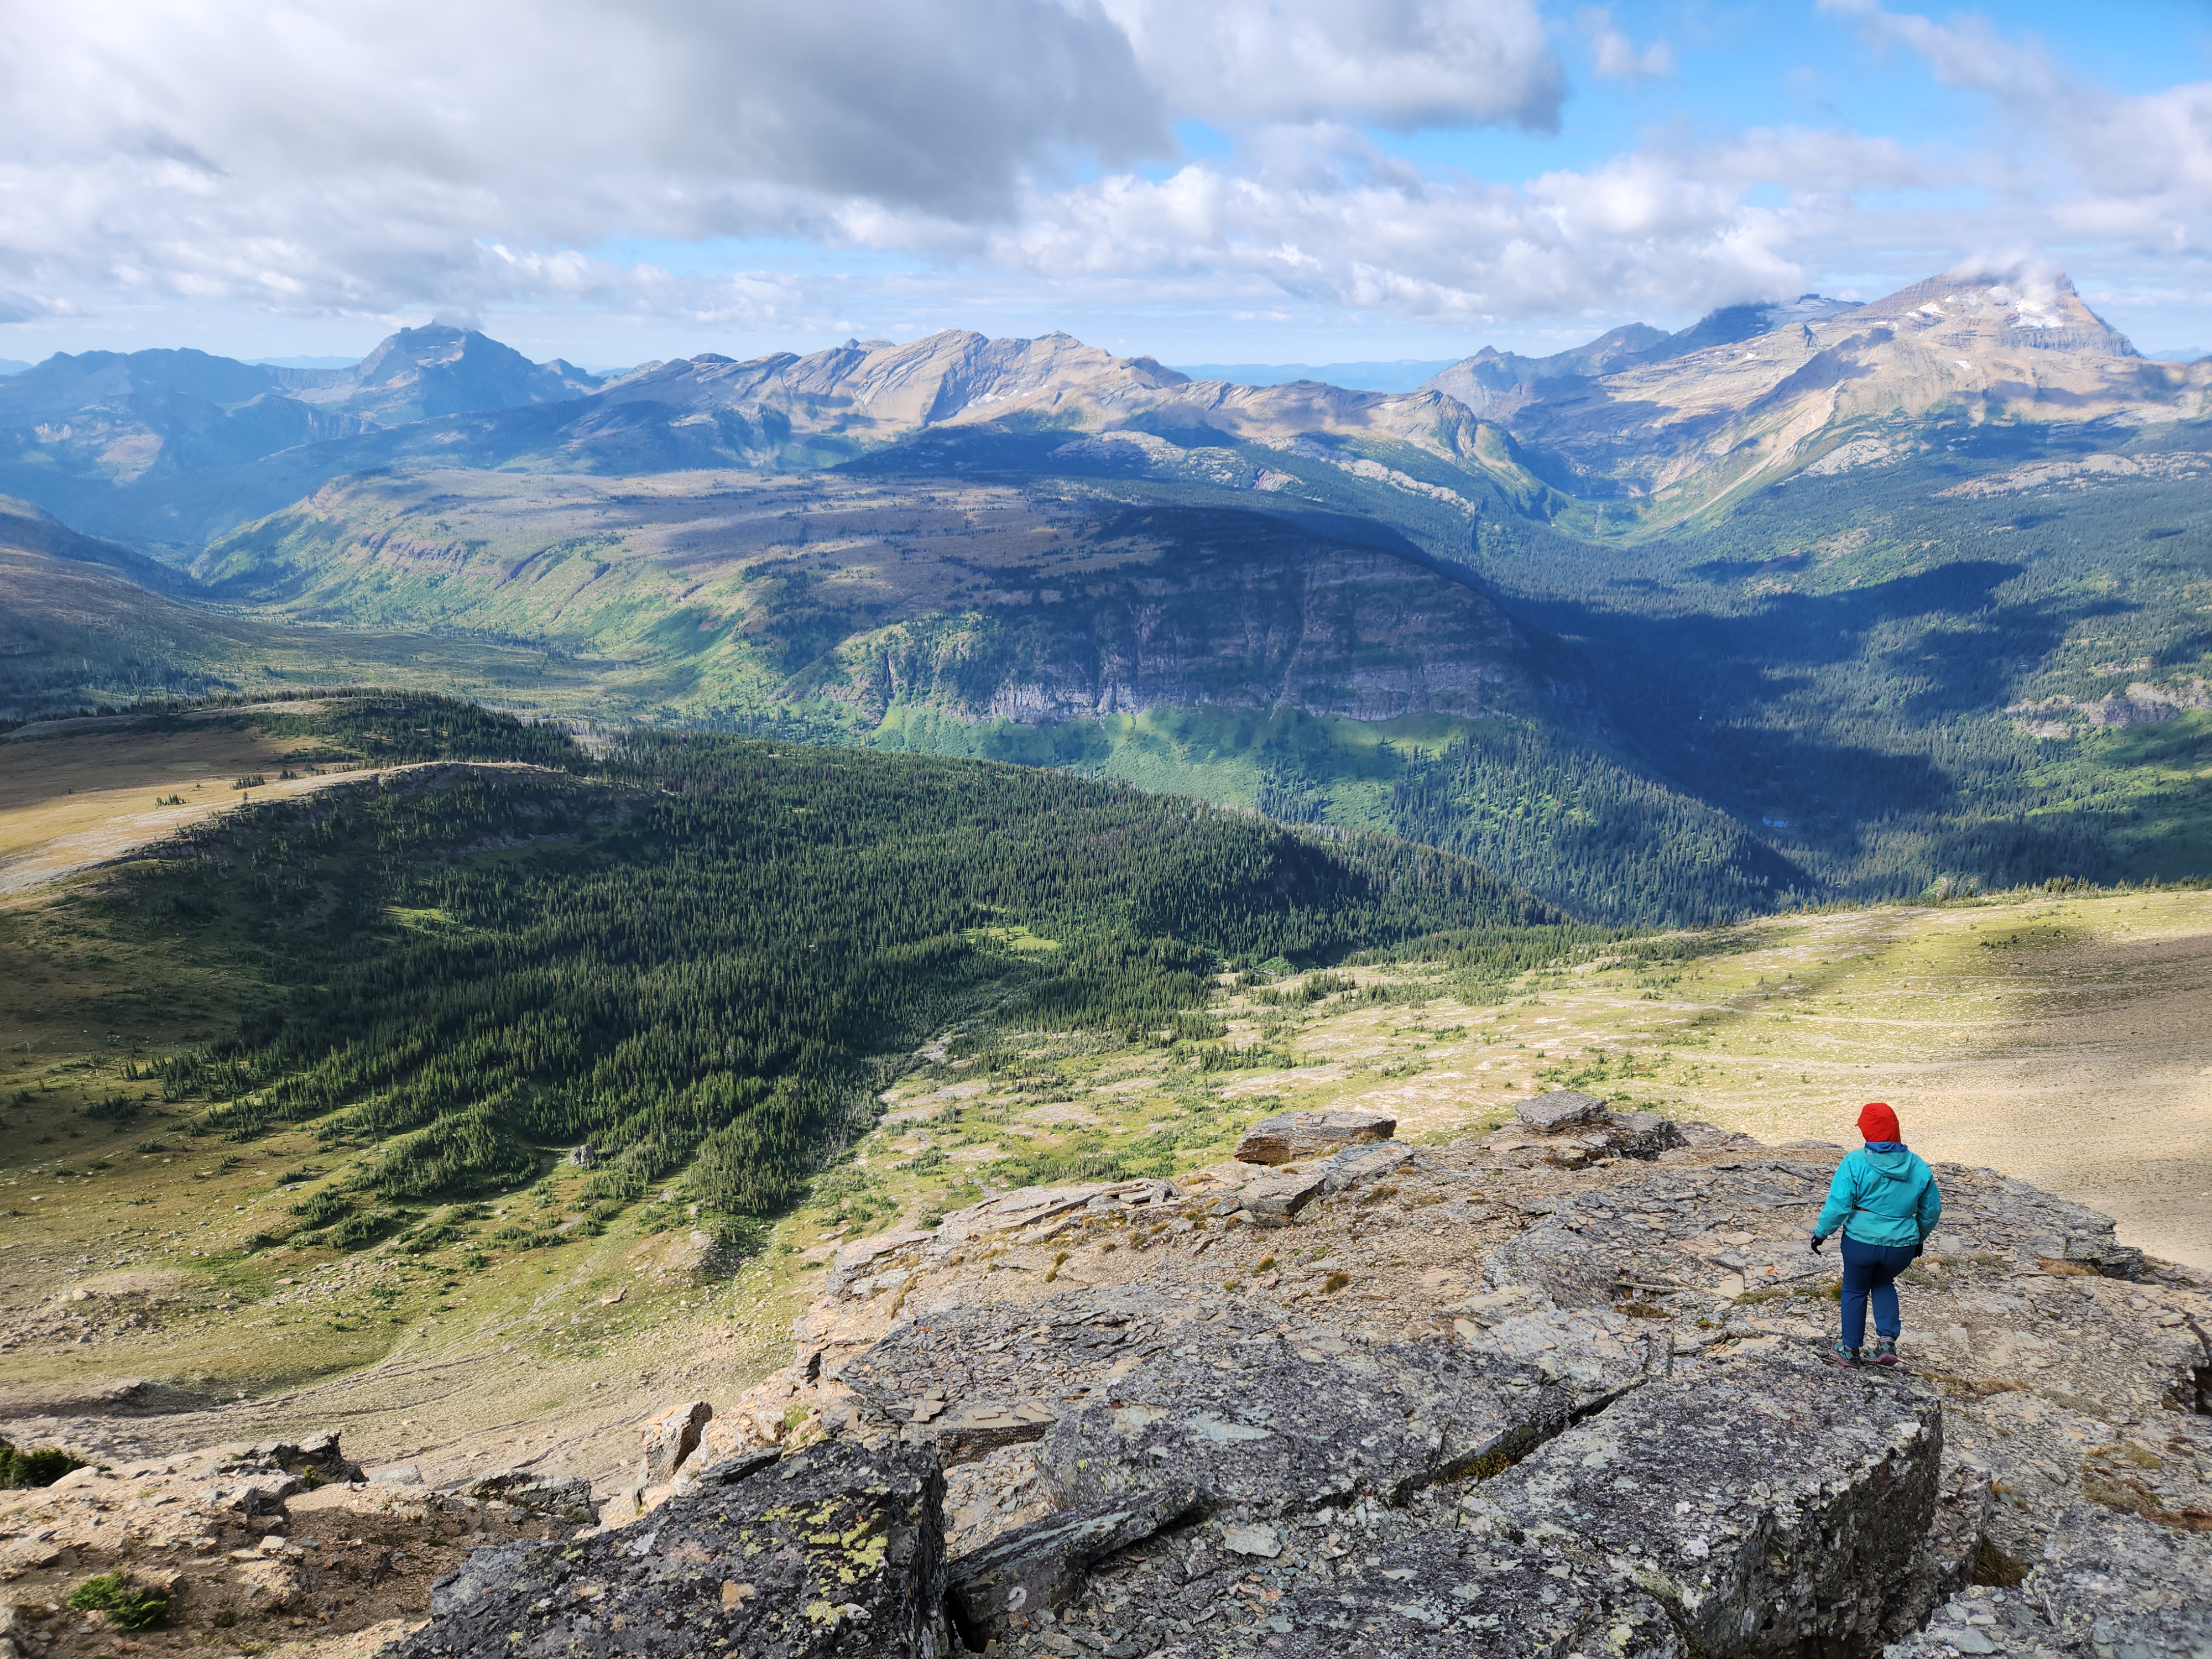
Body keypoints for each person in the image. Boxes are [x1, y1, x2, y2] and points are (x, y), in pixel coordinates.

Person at [1809, 1102, 1941, 1368]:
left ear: (1868, 1131)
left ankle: (1849, 1350)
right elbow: (1932, 1211)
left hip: (1861, 1243)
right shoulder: (1918, 1165)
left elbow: (1838, 1205)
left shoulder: (1855, 1161)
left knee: (1854, 1289)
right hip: (1902, 1245)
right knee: (1883, 1283)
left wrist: (1821, 1233)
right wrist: (1919, 1238)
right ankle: (1886, 1343)